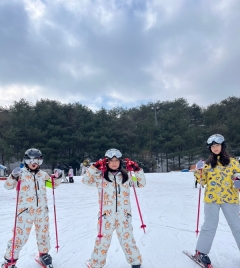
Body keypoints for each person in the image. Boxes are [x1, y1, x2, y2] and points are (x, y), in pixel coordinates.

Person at [82, 149, 146, 268]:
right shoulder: (100, 177)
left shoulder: (126, 176)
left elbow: (141, 183)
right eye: (111, 161)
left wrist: (137, 170)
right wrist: (94, 167)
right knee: (102, 241)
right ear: (106, 162)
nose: (114, 163)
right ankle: (96, 264)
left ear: (120, 161)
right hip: (106, 217)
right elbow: (85, 180)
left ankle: (135, 263)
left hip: (124, 216)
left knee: (128, 240)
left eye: (117, 160)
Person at [1, 148, 62, 268]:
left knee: (43, 233)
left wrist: (58, 177)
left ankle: (43, 254)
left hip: (42, 211)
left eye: (38, 161)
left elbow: (51, 185)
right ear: (26, 161)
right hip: (25, 211)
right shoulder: (21, 173)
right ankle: (10, 259)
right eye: (31, 160)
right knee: (20, 235)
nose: (34, 163)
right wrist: (13, 176)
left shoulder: (42, 175)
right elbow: (7, 186)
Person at [193, 134, 240, 267]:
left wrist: (239, 181)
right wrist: (198, 171)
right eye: (212, 146)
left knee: (237, 226)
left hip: (230, 198)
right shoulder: (207, 164)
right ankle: (201, 252)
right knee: (209, 225)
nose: (215, 148)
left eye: (217, 145)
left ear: (222, 146)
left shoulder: (233, 162)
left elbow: (239, 175)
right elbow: (203, 181)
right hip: (212, 199)